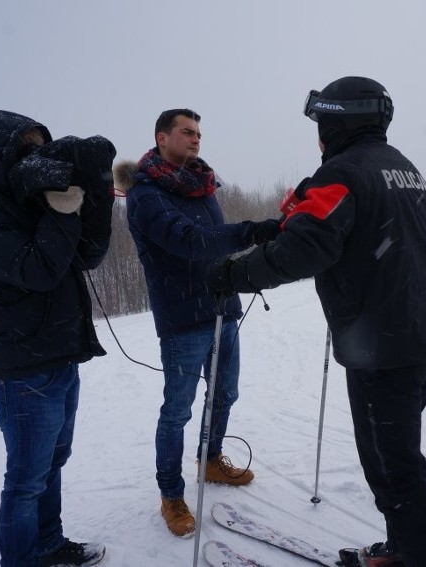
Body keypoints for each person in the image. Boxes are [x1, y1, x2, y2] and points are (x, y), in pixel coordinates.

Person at [205, 77, 426, 567]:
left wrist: (234, 271)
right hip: (420, 336)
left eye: (321, 124)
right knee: (394, 460)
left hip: (384, 347)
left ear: (335, 122)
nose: (318, 137)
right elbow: (358, 237)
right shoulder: (401, 167)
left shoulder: (342, 173)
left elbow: (305, 251)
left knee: (397, 473)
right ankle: (406, 549)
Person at [0, 110, 116, 566]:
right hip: (23, 369)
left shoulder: (29, 199)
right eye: (27, 148)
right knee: (26, 480)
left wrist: (93, 193)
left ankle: (47, 544)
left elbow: (86, 257)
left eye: (43, 147)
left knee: (52, 464)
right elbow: (36, 270)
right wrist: (59, 210)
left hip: (59, 355)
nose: (38, 158)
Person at [114, 108, 278, 538]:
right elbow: (190, 243)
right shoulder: (145, 194)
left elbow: (217, 248)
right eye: (187, 132)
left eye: (199, 133)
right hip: (183, 318)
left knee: (225, 393)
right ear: (161, 137)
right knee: (178, 411)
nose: (196, 139)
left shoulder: (204, 184)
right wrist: (256, 231)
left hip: (222, 308)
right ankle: (171, 494)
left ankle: (210, 461)